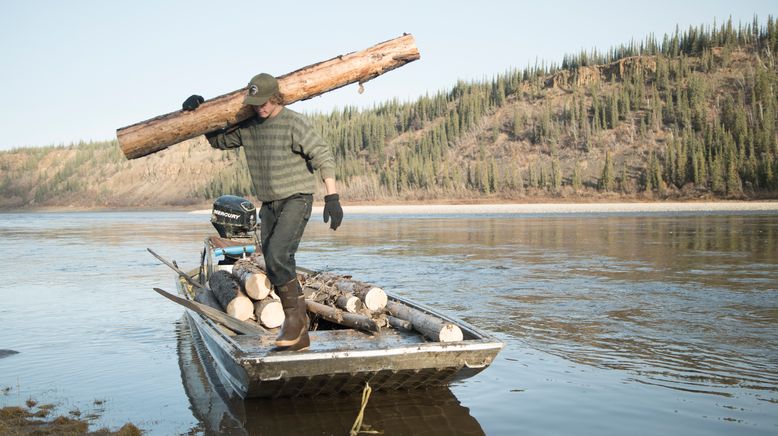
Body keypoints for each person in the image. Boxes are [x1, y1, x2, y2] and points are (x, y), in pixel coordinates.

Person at [182, 73, 343, 351]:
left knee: (280, 254)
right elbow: (219, 140)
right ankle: (299, 332)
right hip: (269, 203)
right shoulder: (250, 127)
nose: (261, 108)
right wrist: (200, 113)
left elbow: (322, 155)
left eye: (265, 102)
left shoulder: (293, 122)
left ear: (276, 97)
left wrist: (332, 196)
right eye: (255, 103)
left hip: (296, 198)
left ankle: (294, 321)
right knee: (272, 259)